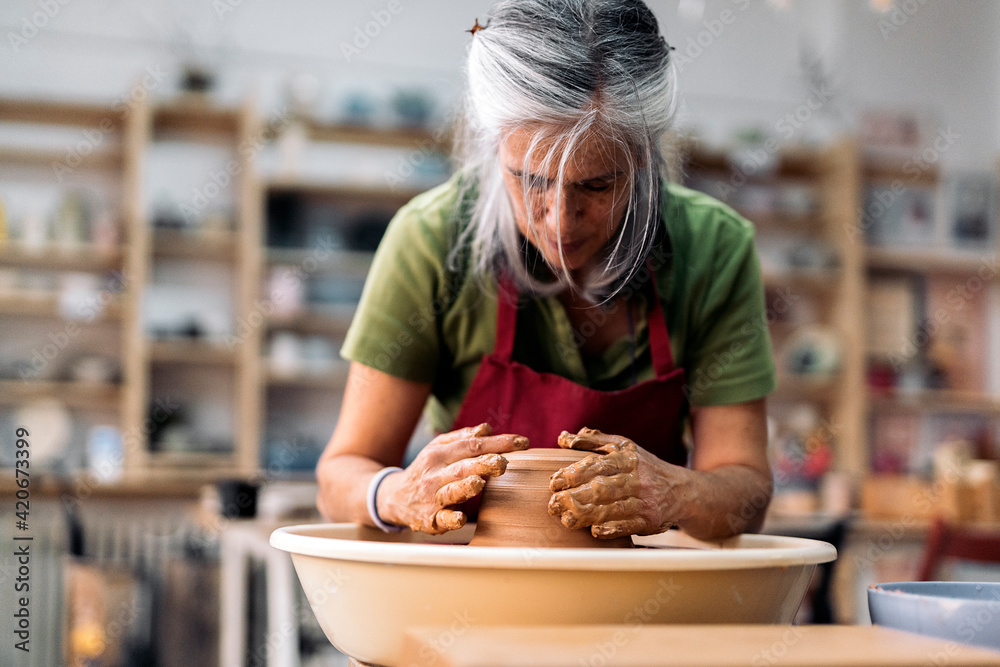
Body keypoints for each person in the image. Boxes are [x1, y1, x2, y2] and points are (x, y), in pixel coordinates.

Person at [316, 0, 776, 542]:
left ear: (645, 153)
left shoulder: (713, 249)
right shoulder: (430, 240)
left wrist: (676, 493)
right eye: (530, 179)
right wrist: (396, 493)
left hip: (645, 604)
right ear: (493, 146)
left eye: (597, 185)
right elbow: (339, 476)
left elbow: (745, 489)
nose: (559, 220)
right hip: (471, 600)